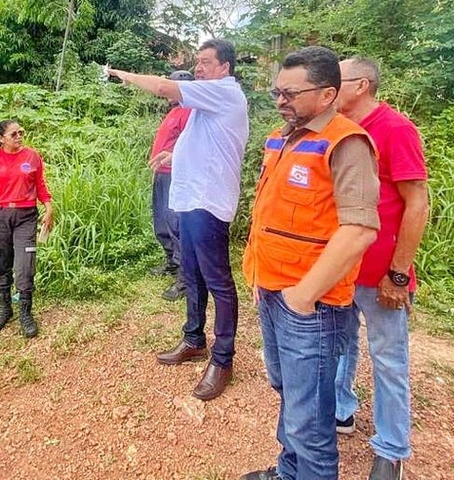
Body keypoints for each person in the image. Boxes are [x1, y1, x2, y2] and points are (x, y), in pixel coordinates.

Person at [241, 46, 380, 480]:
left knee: (309, 417)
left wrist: (303, 296)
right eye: (276, 91)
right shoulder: (281, 136)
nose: (280, 100)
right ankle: (288, 472)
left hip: (311, 306)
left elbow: (359, 230)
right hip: (271, 288)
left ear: (326, 95)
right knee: (289, 393)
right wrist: (260, 276)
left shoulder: (346, 142)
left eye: (290, 92)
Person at [107, 39, 249, 402]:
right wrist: (175, 151)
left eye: (205, 62)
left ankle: (223, 359)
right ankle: (194, 339)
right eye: (197, 62)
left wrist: (118, 74)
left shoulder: (224, 93)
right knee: (191, 273)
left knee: (218, 281)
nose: (198, 68)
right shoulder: (208, 101)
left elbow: (160, 87)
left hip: (207, 202)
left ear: (224, 68)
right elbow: (207, 141)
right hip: (190, 199)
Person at [332, 57, 429, 480]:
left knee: (387, 357)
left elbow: (417, 203)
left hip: (381, 271)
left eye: (338, 79)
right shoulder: (336, 127)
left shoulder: (395, 128)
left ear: (362, 85)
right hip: (340, 267)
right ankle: (341, 410)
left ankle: (391, 448)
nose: (329, 86)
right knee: (339, 345)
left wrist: (399, 273)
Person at [0, 119, 53, 338]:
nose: (19, 136)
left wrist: (49, 209)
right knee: (0, 263)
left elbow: (41, 187)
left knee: (25, 265)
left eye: (21, 132)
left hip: (26, 216)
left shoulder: (32, 157)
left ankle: (26, 313)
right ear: (1, 139)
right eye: (13, 134)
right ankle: (5, 309)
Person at [148, 70, 194, 301]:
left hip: (176, 174)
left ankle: (186, 279)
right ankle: (172, 263)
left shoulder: (188, 112)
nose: (165, 90)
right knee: (162, 223)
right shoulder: (175, 111)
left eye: (170, 86)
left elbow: (192, 143)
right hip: (162, 174)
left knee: (176, 225)